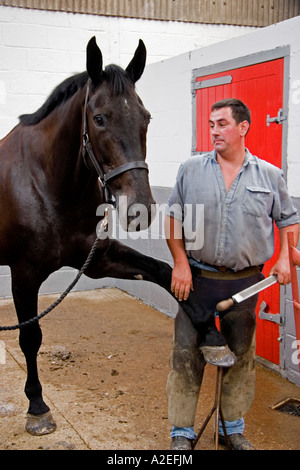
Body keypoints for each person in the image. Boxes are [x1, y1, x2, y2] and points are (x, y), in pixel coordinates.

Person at [164, 98, 299, 450]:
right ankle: (182, 432)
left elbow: (288, 220)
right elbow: (172, 219)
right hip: (197, 282)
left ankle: (231, 428)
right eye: (211, 124)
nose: (214, 131)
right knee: (186, 356)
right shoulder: (191, 169)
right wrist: (180, 261)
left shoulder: (269, 175)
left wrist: (285, 258)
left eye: (222, 123)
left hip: (245, 284)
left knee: (240, 358)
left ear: (243, 127)